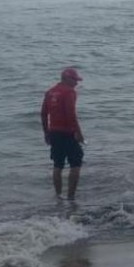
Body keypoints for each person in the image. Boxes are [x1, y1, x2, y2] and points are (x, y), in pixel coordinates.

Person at [41, 67, 85, 200]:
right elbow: (71, 115)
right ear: (66, 79)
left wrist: (46, 133)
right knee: (76, 163)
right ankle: (71, 197)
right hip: (67, 132)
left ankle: (58, 196)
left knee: (57, 164)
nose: (76, 83)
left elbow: (43, 114)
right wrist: (79, 133)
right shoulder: (69, 92)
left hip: (54, 132)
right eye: (74, 80)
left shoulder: (50, 92)